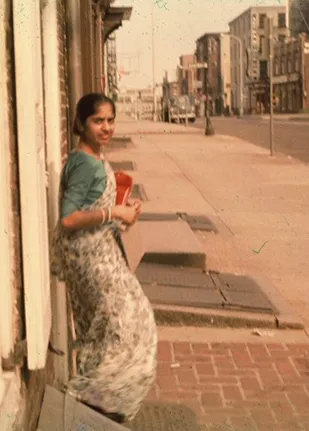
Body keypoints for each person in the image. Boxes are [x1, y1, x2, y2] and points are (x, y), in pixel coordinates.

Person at [51, 93, 157, 424]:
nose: (106, 127)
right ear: (82, 124)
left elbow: (89, 206)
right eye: (98, 121)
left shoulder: (91, 158)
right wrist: (114, 210)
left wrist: (121, 213)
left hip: (97, 253)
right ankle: (92, 402)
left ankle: (94, 410)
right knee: (132, 326)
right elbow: (69, 218)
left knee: (104, 332)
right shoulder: (85, 162)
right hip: (92, 259)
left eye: (111, 120)